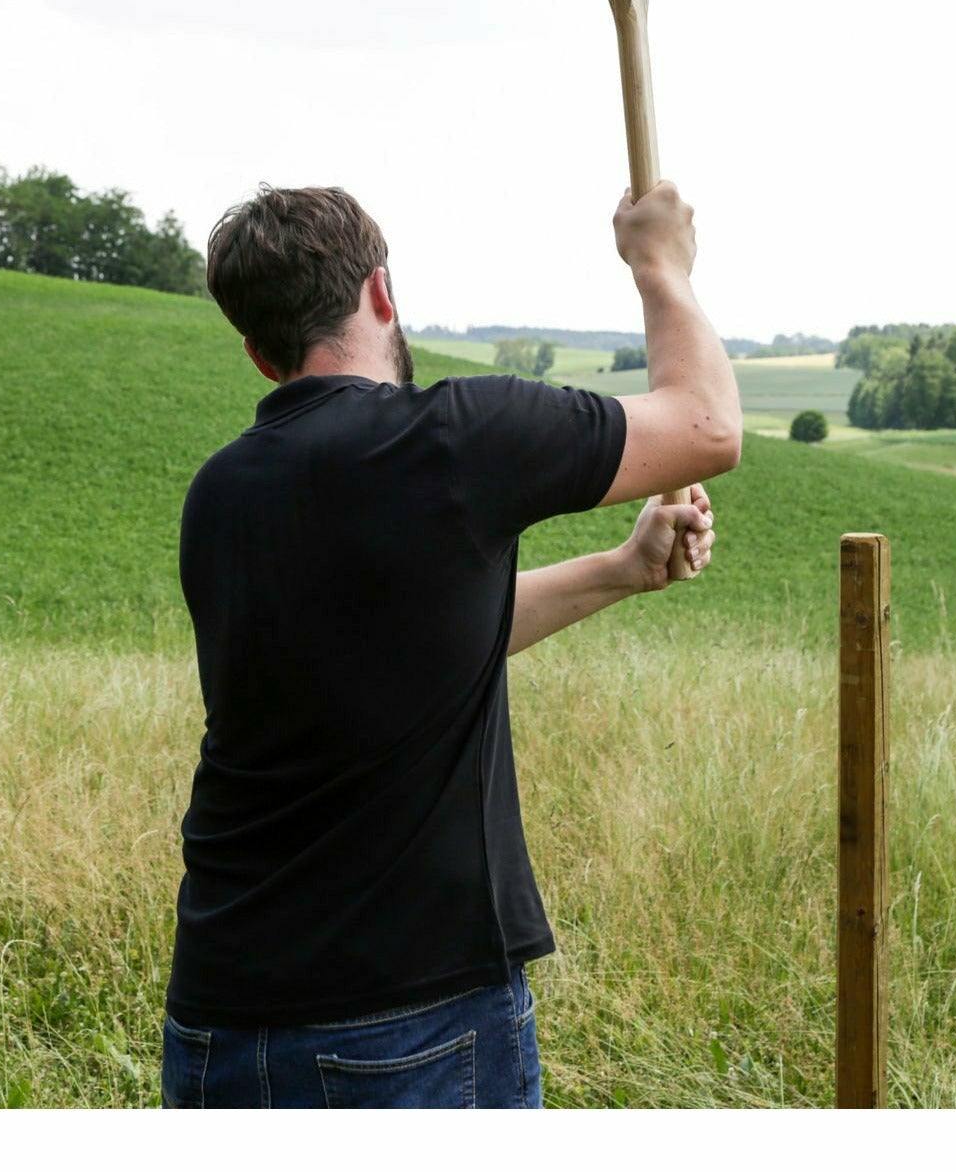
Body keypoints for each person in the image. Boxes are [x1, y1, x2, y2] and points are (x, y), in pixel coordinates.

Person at [162, 181, 742, 1109]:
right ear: (381, 294)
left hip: (217, 1026)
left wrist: (620, 569)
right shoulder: (454, 438)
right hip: (407, 1024)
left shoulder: (220, 494)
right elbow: (708, 427)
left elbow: (415, 641)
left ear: (257, 350)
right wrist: (660, 266)